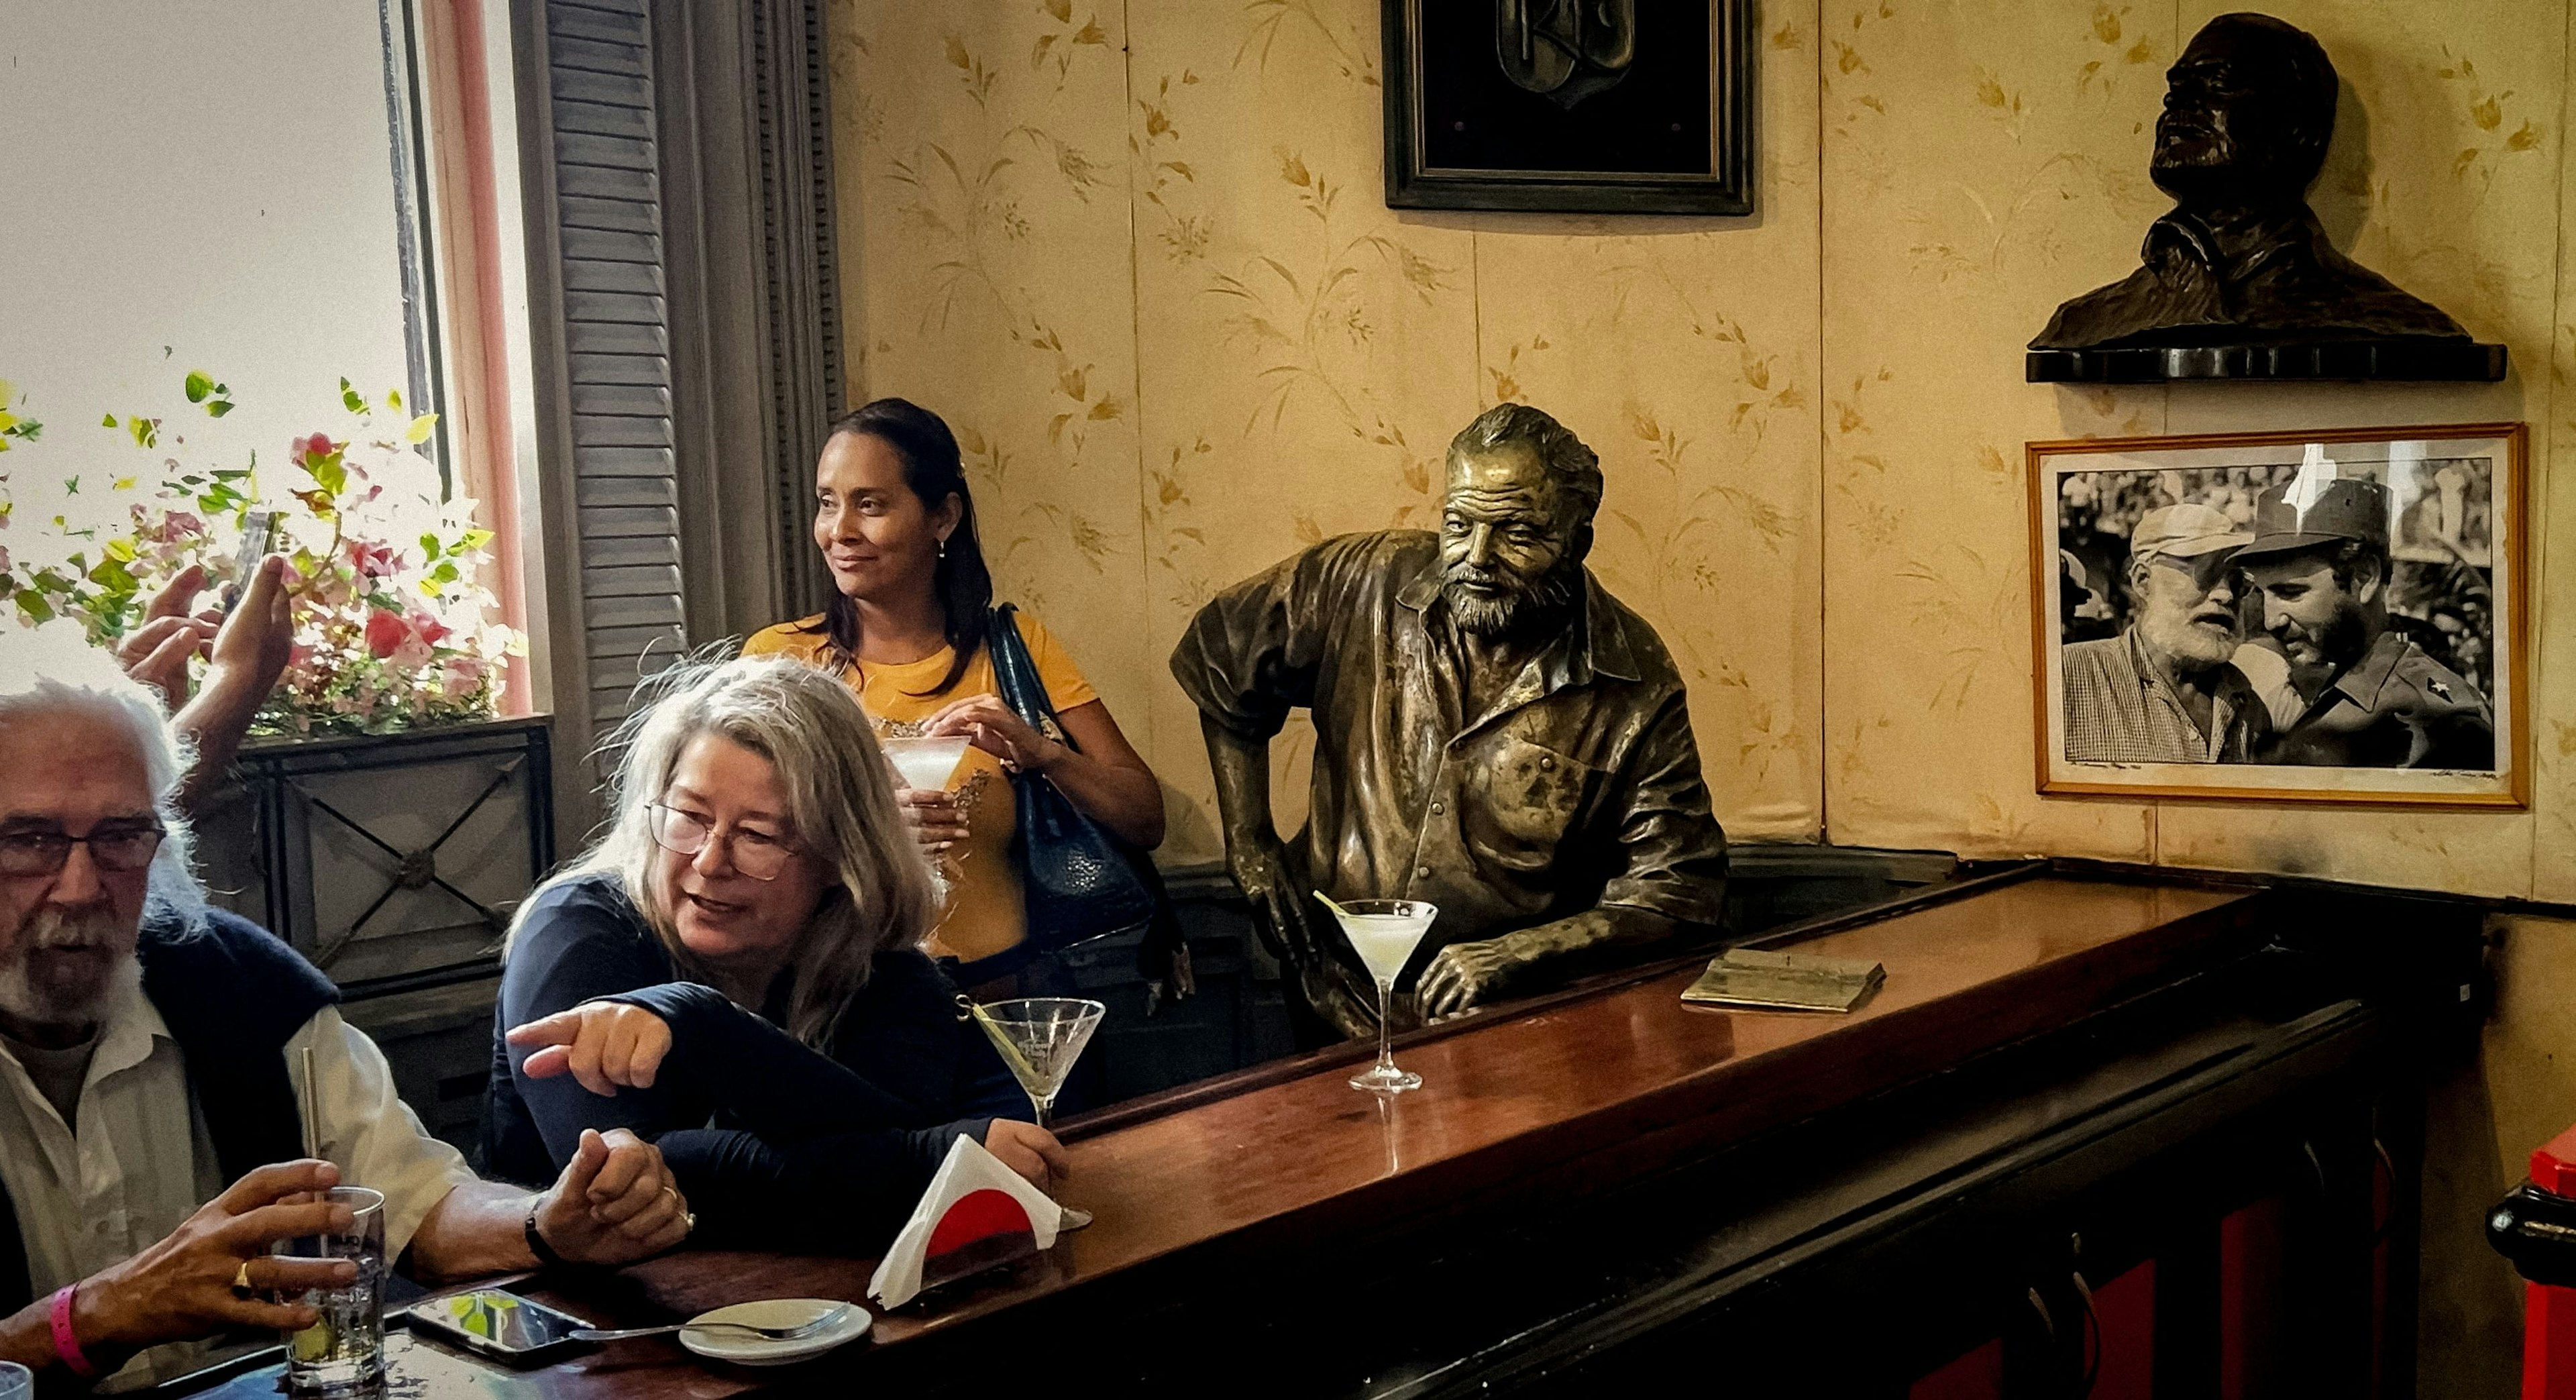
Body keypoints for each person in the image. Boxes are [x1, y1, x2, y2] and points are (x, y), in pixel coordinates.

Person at [0, 633, 688, 1392]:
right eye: (27, 839)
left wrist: (549, 1223)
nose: (80, 886)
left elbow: (416, 1201)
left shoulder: (243, 988)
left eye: (120, 836)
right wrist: (96, 1316)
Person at [1171, 402, 1729, 1039]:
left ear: (1578, 542)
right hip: (1332, 990)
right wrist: (1248, 840)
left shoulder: (1633, 680)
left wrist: (1518, 954)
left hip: (1512, 1028)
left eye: (1517, 532)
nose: (1477, 556)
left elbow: (1679, 887)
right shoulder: (1363, 579)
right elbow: (1223, 655)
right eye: (1459, 524)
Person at [487, 655, 1067, 1254]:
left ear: (840, 857)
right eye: (688, 816)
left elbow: (900, 1132)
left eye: (759, 835)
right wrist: (917, 1161)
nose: (710, 862)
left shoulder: (885, 964)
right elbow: (626, 1190)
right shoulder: (576, 929)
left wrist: (697, 1024)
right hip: (556, 1320)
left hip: (817, 1310)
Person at [741, 398, 1166, 993]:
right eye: (827, 502)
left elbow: (1146, 818)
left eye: (870, 504)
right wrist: (870, 834)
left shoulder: (1018, 648)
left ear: (942, 518)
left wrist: (1044, 753)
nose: (839, 531)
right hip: (852, 1010)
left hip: (1008, 1003)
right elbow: (746, 843)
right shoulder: (779, 664)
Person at [2032, 13, 2473, 354]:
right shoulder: (2085, 321)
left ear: (2301, 129)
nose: (2178, 103)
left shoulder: (2387, 317)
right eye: (2178, 89)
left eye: (2218, 84)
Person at [2234, 476, 2495, 769]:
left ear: (2364, 577)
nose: (2271, 621)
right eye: (2262, 593)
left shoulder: (2438, 721)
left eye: (2291, 592)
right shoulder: (2325, 685)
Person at [2061, 503, 2272, 764]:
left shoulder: (2250, 707)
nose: (2226, 595)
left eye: (2239, 582)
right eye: (2207, 573)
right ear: (2143, 581)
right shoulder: (2067, 678)